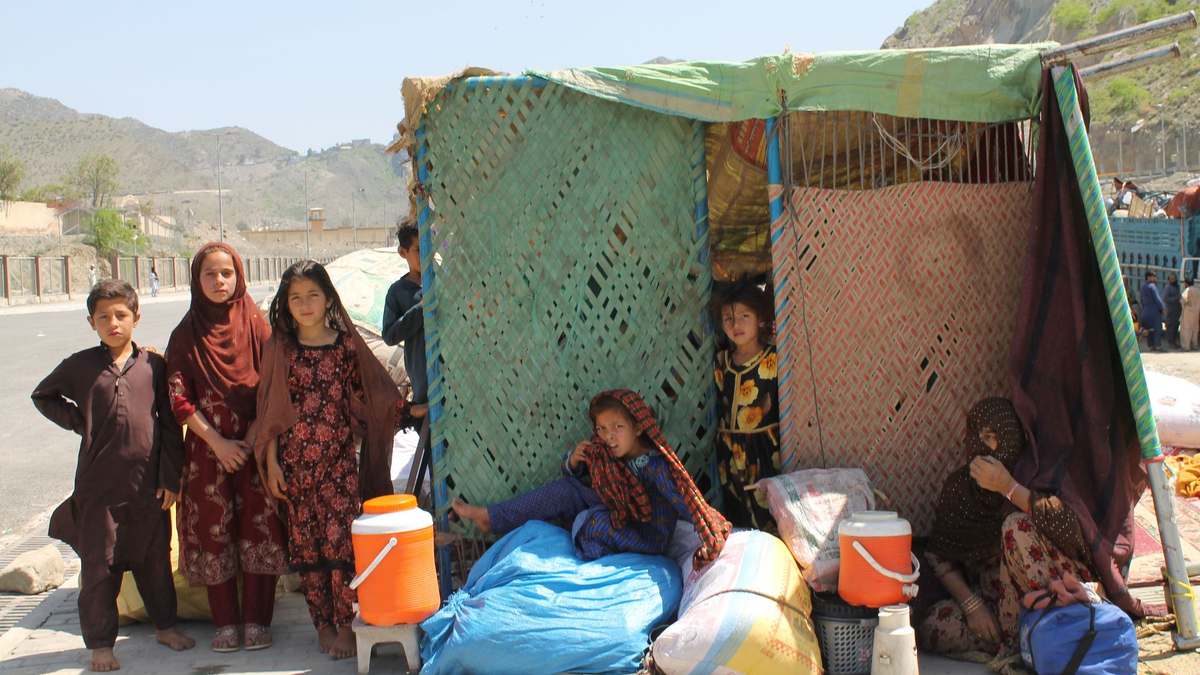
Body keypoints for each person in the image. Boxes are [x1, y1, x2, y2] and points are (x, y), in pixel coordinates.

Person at [249, 261, 425, 660]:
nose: (305, 304)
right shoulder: (280, 349)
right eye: (295, 297)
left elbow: (369, 395)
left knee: (342, 545)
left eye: (313, 295)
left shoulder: (344, 345)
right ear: (286, 304)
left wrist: (405, 412)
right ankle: (322, 625)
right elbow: (272, 412)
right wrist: (273, 463)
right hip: (295, 468)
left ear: (328, 298)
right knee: (307, 547)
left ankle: (346, 625)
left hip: (339, 466)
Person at [31, 280, 195, 672]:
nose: (113, 322)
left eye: (121, 314)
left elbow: (172, 426)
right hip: (99, 489)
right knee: (100, 567)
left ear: (136, 317)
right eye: (103, 316)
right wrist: (78, 421)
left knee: (155, 559)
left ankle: (166, 626)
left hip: (148, 486)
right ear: (91, 322)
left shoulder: (154, 366)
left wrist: (170, 478)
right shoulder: (81, 366)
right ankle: (101, 644)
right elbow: (43, 396)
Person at [919, 398, 1153, 665]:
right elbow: (939, 555)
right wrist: (973, 606)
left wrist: (1008, 487)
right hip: (1001, 603)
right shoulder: (960, 490)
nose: (985, 448)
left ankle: (1057, 629)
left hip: (1056, 586)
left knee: (1015, 528)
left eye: (994, 437)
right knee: (932, 625)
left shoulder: (1035, 471)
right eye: (979, 437)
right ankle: (1029, 641)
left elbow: (1071, 531)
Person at [451, 389, 731, 568]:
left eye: (617, 427)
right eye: (602, 428)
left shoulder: (655, 466)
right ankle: (492, 517)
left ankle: (589, 569)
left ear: (637, 427)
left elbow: (685, 500)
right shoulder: (607, 452)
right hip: (617, 513)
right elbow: (576, 474)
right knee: (565, 489)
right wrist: (574, 460)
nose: (608, 435)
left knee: (594, 523)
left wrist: (709, 526)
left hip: (645, 533)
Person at [166, 243, 287, 653]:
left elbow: (273, 382)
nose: (219, 282)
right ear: (196, 281)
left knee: (259, 527)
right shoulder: (185, 334)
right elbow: (179, 399)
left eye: (227, 273)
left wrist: (252, 439)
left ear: (239, 275)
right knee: (214, 531)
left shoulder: (255, 323)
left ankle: (256, 619)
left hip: (255, 447)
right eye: (210, 274)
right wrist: (218, 443)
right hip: (207, 451)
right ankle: (224, 623)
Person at [713, 282, 779, 532]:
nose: (735, 324)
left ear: (761, 320)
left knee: (767, 512)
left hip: (764, 451)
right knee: (737, 511)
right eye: (728, 318)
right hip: (730, 452)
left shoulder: (774, 358)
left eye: (744, 316)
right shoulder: (722, 361)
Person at [381, 221, 427, 405]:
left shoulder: (443, 284)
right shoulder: (398, 291)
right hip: (422, 371)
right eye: (418, 249)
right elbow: (390, 335)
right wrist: (421, 309)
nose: (425, 253)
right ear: (403, 252)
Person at [1140, 271, 1165, 351]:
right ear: (1148, 277)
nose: (1155, 278)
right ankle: (1158, 345)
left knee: (1148, 329)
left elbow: (1141, 301)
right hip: (1154, 310)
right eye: (1153, 277)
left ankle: (1151, 346)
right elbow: (1157, 299)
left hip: (1146, 310)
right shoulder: (1152, 287)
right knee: (1157, 328)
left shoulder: (1143, 287)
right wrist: (1163, 308)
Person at [1165, 272, 1182, 349]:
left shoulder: (1178, 287)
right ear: (1169, 280)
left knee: (1175, 327)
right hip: (1171, 310)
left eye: (1174, 279)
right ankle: (1170, 343)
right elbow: (1166, 298)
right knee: (1171, 327)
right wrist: (1175, 299)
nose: (1173, 280)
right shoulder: (1168, 288)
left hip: (1177, 311)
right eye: (1171, 279)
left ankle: (1174, 342)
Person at [1182, 278, 1199, 351]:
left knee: (1186, 328)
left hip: (1188, 311)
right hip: (1197, 310)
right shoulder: (1198, 290)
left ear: (1186, 283)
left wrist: (1186, 303)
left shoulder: (1187, 290)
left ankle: (1186, 346)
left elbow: (1183, 298)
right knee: (1195, 328)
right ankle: (1195, 345)